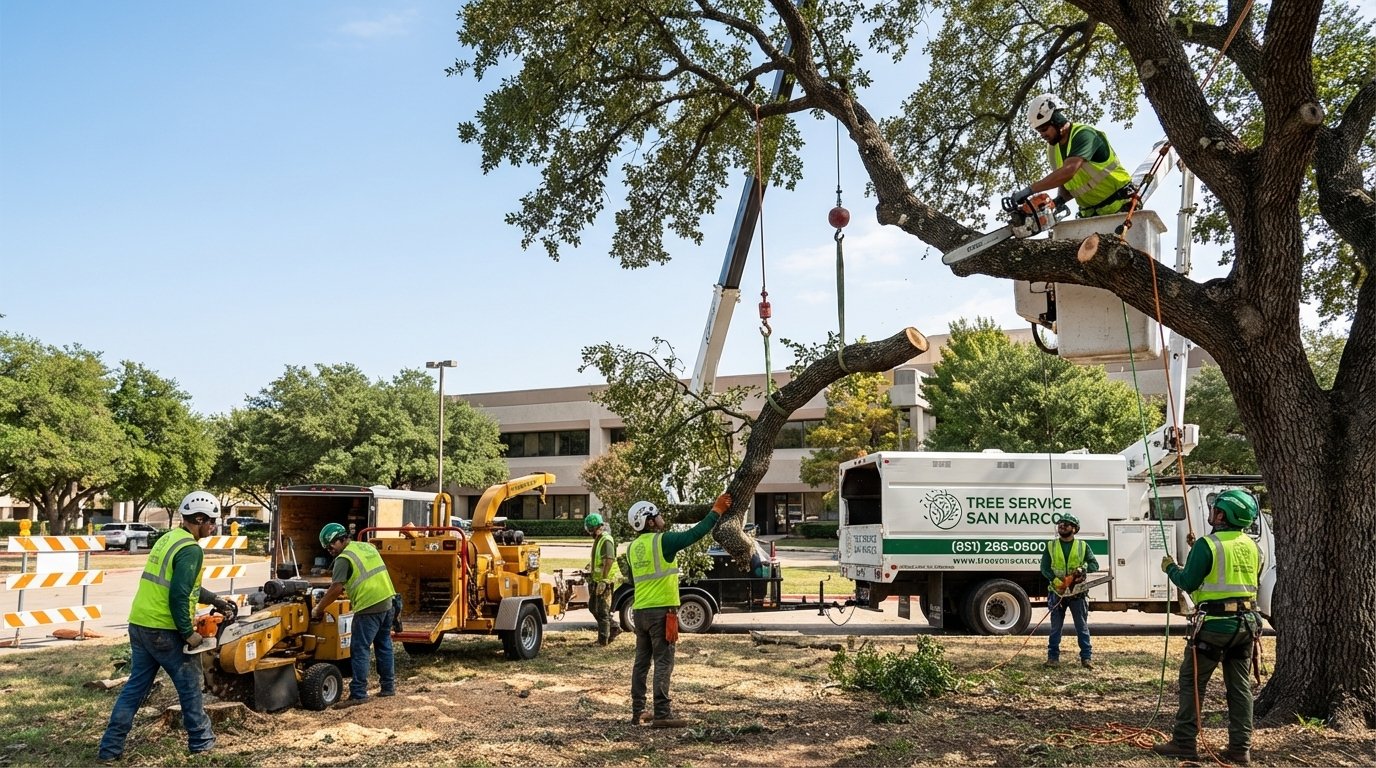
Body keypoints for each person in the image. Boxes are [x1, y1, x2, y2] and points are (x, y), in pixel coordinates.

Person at [98, 491, 235, 762]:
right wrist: (189, 633)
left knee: (135, 688)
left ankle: (109, 749)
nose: (213, 526)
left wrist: (215, 600)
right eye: (211, 521)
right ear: (198, 518)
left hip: (140, 624)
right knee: (191, 684)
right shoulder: (191, 549)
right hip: (164, 629)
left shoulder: (169, 539)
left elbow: (185, 586)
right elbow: (178, 595)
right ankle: (202, 743)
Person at [1152, 489, 1264, 766]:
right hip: (1246, 625)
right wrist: (1196, 552)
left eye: (1215, 508)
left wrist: (1170, 567)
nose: (1211, 512)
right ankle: (1240, 748)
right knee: (1239, 688)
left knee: (1192, 683)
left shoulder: (1208, 545)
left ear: (1222, 514)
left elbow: (1188, 581)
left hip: (1215, 626)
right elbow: (1232, 573)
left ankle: (1184, 741)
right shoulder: (1253, 546)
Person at [627, 492, 731, 728]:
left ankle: (638, 712)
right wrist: (716, 511)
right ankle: (662, 714)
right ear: (650, 521)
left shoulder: (633, 548)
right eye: (657, 515)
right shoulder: (663, 541)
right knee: (664, 662)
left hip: (640, 611)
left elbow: (633, 579)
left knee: (641, 663)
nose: (662, 518)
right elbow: (694, 534)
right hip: (661, 612)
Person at [310, 522, 399, 707]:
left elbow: (336, 588)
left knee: (359, 649)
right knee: (384, 645)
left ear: (341, 540)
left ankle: (358, 693)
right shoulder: (366, 546)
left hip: (368, 607)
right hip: (388, 601)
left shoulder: (344, 558)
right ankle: (388, 687)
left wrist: (319, 608)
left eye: (331, 545)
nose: (329, 550)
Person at [1010, 93, 1136, 219]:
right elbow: (1067, 184)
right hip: (1090, 215)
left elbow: (1068, 171)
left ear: (1057, 120)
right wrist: (1057, 202)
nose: (1042, 135)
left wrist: (1030, 190)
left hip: (1121, 205)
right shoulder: (1053, 150)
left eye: (1044, 128)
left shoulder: (1084, 135)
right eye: (1039, 131)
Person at [1040, 512, 1100, 668]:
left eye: (1066, 524)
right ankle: (1053, 658)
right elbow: (1044, 568)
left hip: (1077, 594)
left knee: (1081, 627)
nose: (1062, 525)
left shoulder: (1082, 546)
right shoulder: (1051, 546)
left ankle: (1086, 658)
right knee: (1055, 628)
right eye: (1060, 523)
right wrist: (1057, 581)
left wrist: (1083, 569)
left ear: (1074, 529)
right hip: (1057, 593)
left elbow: (1094, 565)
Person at [585, 512, 619, 646]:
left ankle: (602, 640)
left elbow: (609, 561)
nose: (589, 532)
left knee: (603, 611)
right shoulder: (599, 539)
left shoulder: (606, 540)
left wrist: (604, 580)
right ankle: (614, 627)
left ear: (597, 527)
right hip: (597, 580)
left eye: (590, 529)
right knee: (593, 607)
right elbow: (599, 560)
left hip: (605, 581)